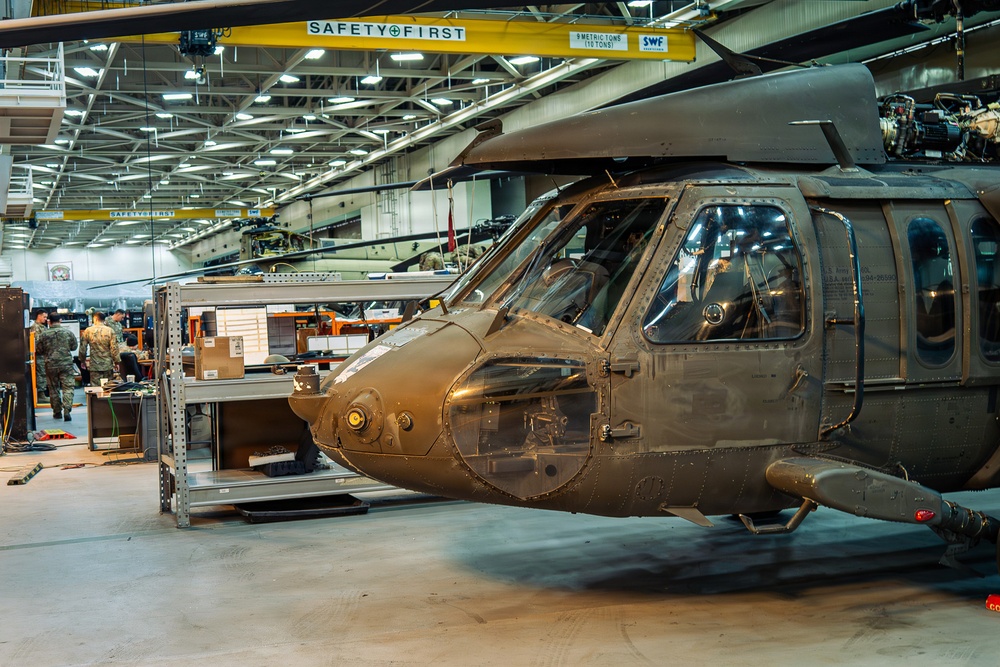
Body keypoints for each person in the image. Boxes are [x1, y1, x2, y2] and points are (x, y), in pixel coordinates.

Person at [34, 312, 78, 421]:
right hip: (66, 364)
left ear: (49, 321)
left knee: (53, 388)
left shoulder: (43, 334)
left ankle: (57, 411)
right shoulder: (68, 333)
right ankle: (67, 410)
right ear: (61, 320)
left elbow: (39, 350)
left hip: (50, 364)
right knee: (68, 387)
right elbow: (74, 347)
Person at [79, 311, 120, 387]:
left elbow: (83, 347)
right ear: (104, 320)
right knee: (108, 387)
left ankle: (96, 399)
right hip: (107, 364)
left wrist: (82, 361)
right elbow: (114, 348)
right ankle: (107, 399)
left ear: (95, 319)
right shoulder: (110, 330)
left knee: (95, 388)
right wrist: (117, 362)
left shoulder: (88, 331)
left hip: (95, 365)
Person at [29, 309, 49, 397]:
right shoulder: (35, 327)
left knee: (43, 373)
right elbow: (36, 343)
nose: (45, 319)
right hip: (39, 355)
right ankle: (40, 395)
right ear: (39, 316)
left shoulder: (42, 327)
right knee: (41, 373)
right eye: (44, 317)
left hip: (43, 354)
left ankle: (42, 393)